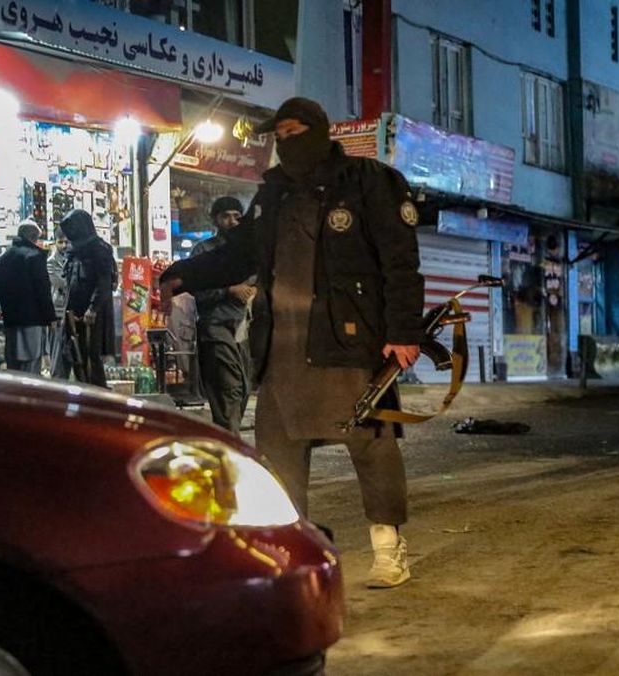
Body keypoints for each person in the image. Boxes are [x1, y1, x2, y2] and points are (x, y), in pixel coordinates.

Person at [158, 97, 425, 588]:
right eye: (278, 135)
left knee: (371, 443)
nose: (286, 142)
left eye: (294, 132)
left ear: (320, 131)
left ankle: (389, 548)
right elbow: (238, 255)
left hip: (349, 340)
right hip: (281, 344)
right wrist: (182, 275)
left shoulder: (367, 181)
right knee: (278, 450)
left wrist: (403, 332)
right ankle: (291, 553)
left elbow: (400, 262)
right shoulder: (272, 194)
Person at [191, 196, 255, 433]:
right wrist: (229, 290)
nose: (232, 221)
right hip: (216, 327)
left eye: (237, 216)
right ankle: (231, 444)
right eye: (226, 216)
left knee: (244, 388)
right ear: (215, 220)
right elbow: (197, 290)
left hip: (243, 328)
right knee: (228, 387)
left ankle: (227, 440)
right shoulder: (204, 251)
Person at [60, 209, 116, 387]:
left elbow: (104, 281)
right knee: (76, 354)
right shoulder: (73, 250)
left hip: (91, 315)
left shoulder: (100, 249)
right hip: (73, 312)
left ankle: (96, 392)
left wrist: (93, 308)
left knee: (91, 355)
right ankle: (83, 389)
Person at [0, 221, 57, 374]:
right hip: (32, 321)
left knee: (13, 366)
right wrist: (51, 318)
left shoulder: (3, 258)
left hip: (11, 321)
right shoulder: (34, 257)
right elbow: (42, 290)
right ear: (33, 237)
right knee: (31, 366)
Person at [47, 226, 70, 377]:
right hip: (58, 308)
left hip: (69, 308)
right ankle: (57, 375)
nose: (64, 245)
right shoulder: (51, 262)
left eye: (66, 242)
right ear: (55, 242)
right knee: (57, 346)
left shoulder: (71, 258)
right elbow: (60, 283)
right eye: (60, 242)